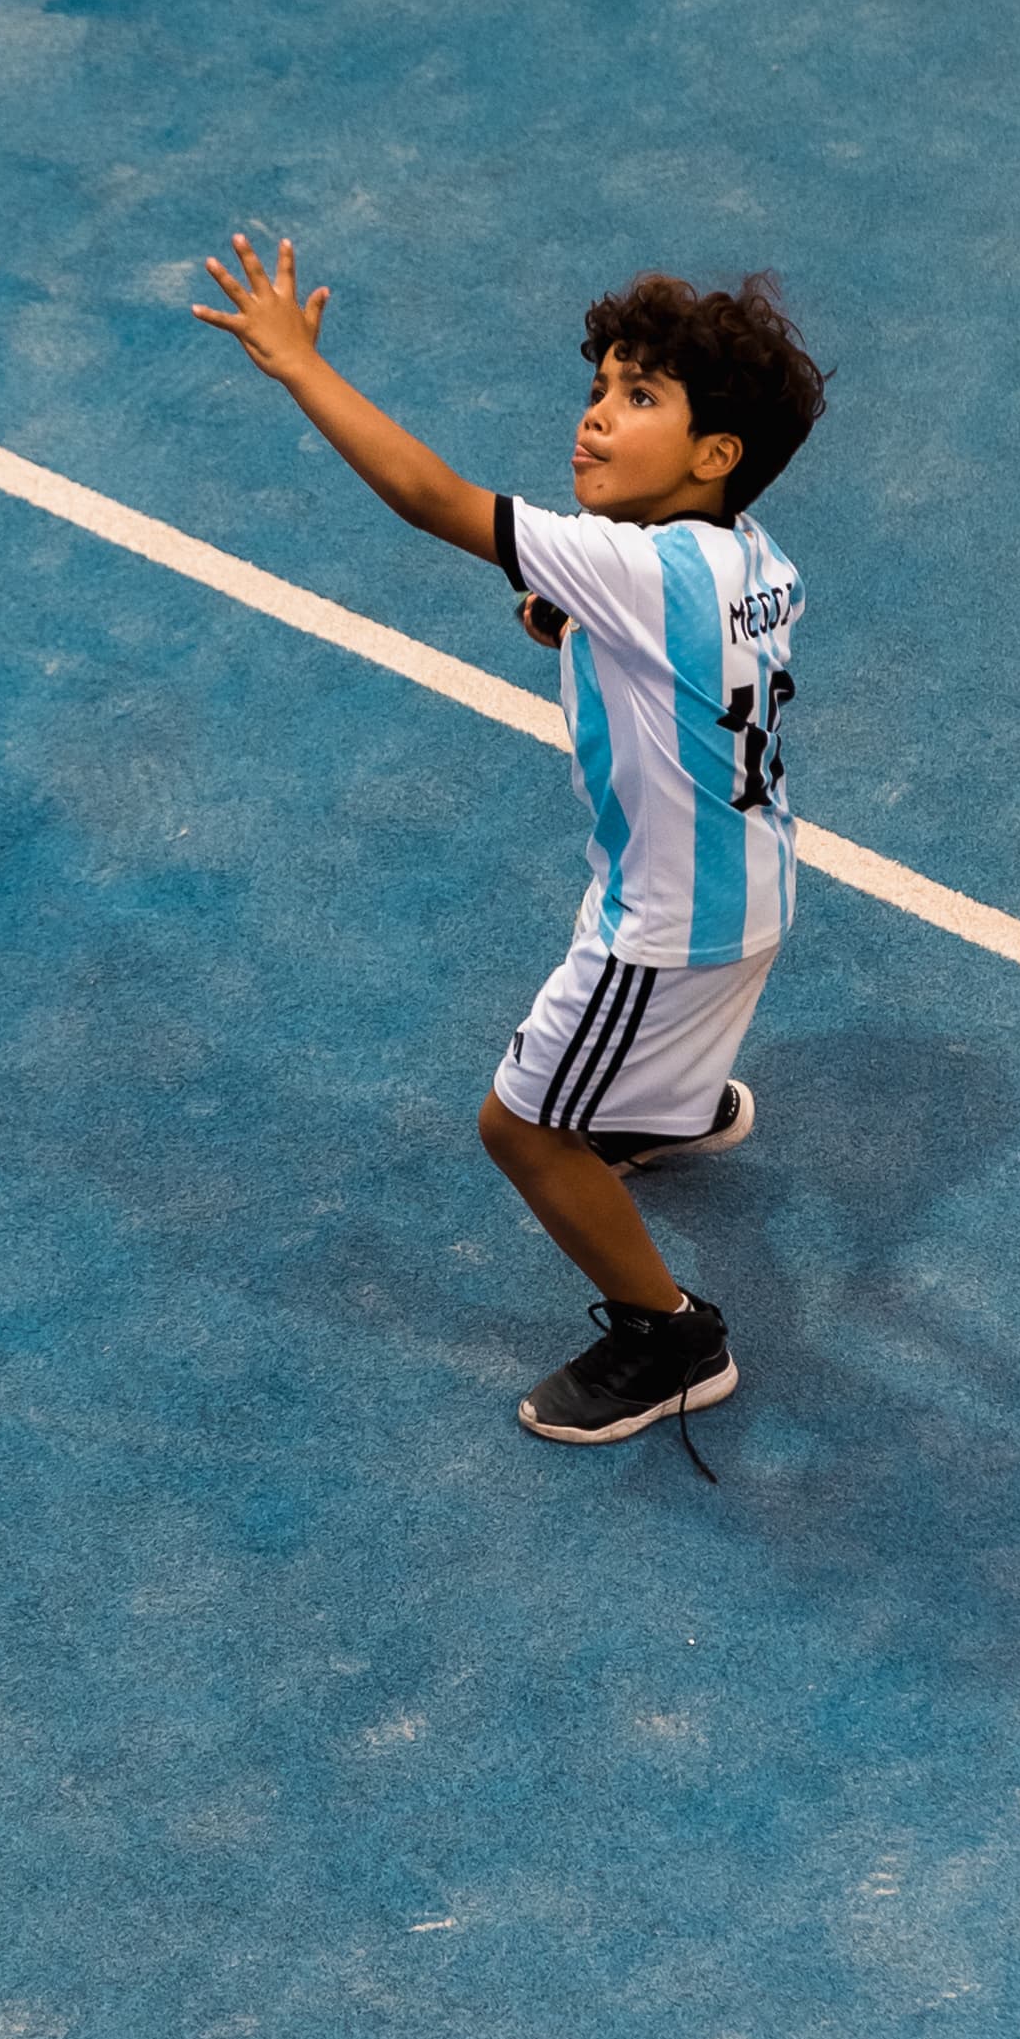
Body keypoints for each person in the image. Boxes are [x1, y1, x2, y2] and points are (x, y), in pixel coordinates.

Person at [194, 237, 827, 1463]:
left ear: (714, 458)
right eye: (598, 388)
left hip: (659, 924)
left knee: (521, 1128)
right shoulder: (751, 558)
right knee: (627, 1068)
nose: (595, 417)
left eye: (639, 398)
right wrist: (571, 619)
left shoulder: (627, 566)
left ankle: (672, 1335)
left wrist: (296, 367)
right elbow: (668, 652)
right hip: (755, 888)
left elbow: (433, 498)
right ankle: (671, 1107)